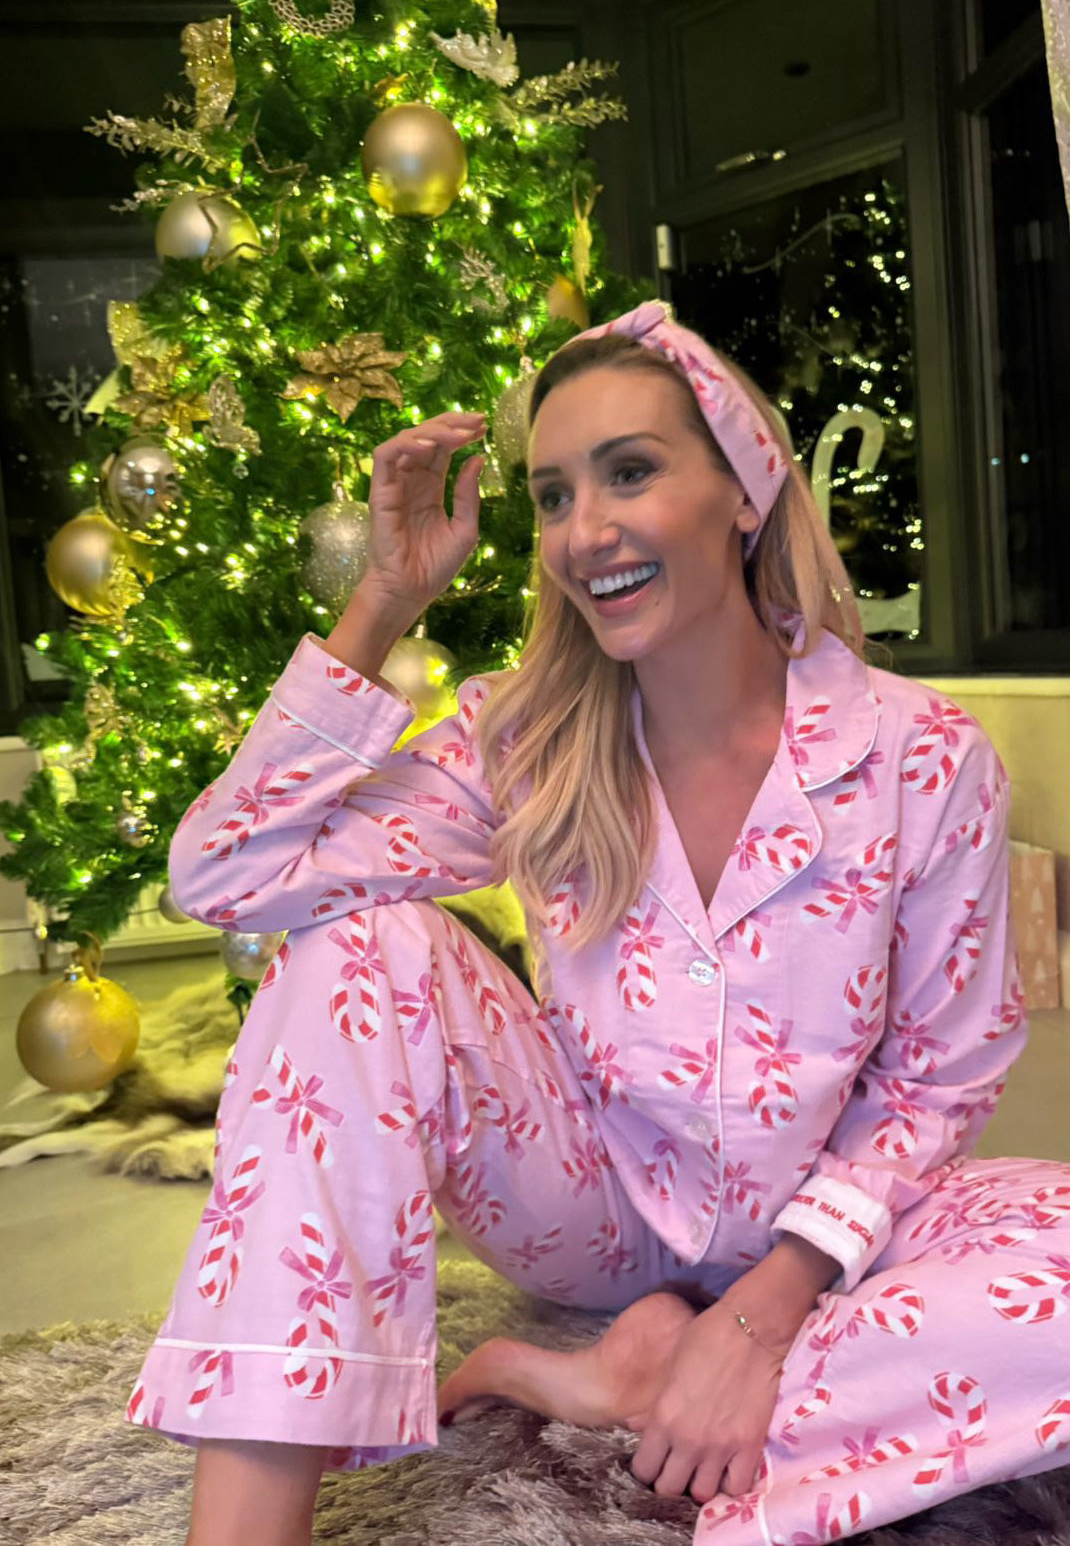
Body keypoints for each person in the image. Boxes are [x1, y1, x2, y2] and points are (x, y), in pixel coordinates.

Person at [126, 301, 1070, 1546]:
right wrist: (383, 601)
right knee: (356, 948)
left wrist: (760, 1314)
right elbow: (225, 872)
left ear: (743, 491)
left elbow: (935, 1079)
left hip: (829, 1228)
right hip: (589, 1209)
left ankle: (623, 1379)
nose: (585, 529)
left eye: (629, 472)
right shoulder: (524, 740)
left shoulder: (920, 756)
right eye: (552, 495)